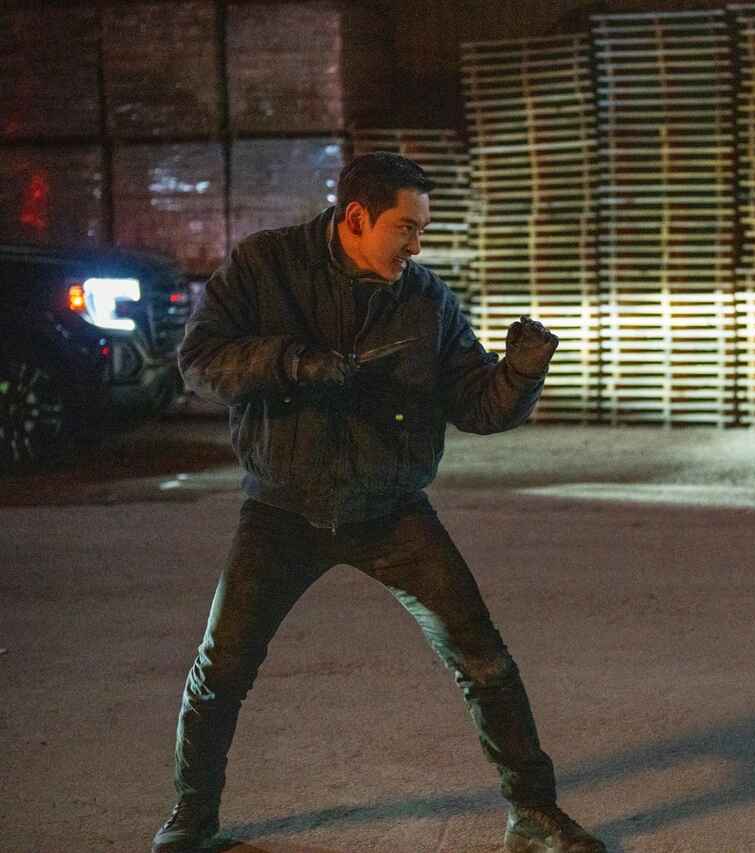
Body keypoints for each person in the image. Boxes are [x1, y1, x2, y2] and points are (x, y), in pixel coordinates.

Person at [152, 152, 607, 853]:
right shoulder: (265, 267)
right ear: (357, 217)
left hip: (391, 510)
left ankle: (534, 815)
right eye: (407, 227)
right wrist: (291, 361)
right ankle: (191, 819)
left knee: (484, 661)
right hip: (283, 507)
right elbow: (200, 360)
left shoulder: (427, 301)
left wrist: (520, 373)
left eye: (422, 230)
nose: (417, 245)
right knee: (221, 671)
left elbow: (477, 405)